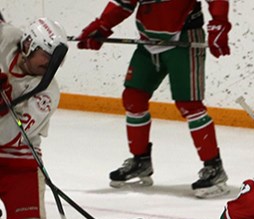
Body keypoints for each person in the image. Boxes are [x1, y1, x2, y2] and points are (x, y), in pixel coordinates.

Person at [76, 0, 232, 198]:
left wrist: (219, 23)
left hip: (183, 37)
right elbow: (124, 3)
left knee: (189, 105)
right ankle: (140, 161)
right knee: (133, 98)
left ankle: (214, 167)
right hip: (148, 41)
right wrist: (102, 25)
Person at [0, 17, 68, 219]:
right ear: (28, 44)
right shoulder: (7, 38)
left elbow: (11, 136)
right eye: (46, 54)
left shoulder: (48, 91)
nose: (50, 64)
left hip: (20, 158)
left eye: (56, 60)